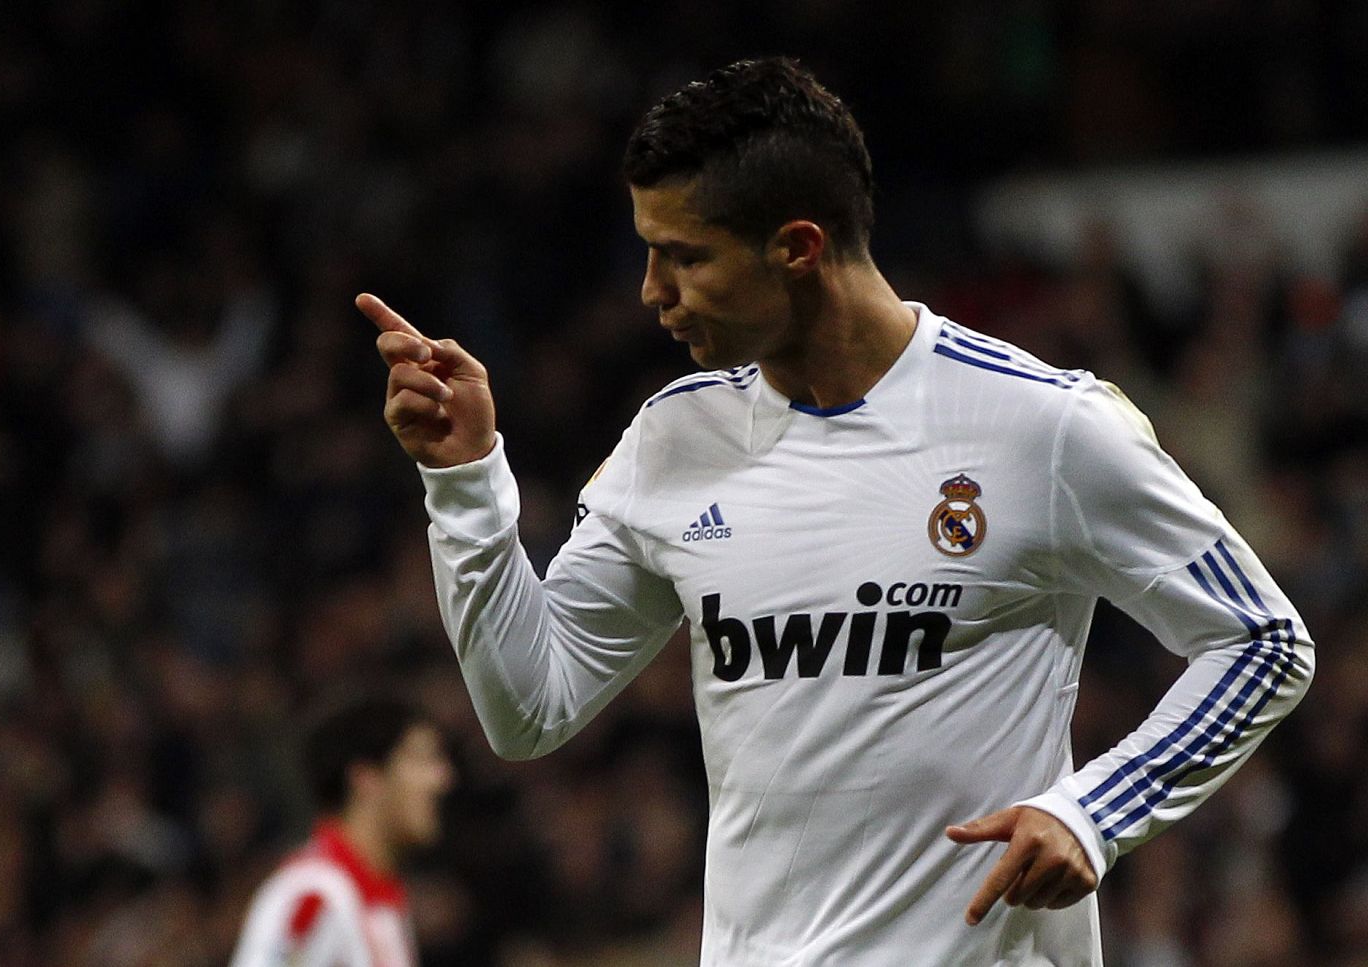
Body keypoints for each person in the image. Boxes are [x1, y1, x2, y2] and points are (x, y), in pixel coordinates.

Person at [359, 57, 1313, 965]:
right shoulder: (675, 439)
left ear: (800, 248)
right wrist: (467, 480)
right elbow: (530, 706)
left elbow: (1265, 641)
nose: (652, 292)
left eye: (683, 258)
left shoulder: (1043, 426)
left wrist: (1095, 810)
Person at [230, 696, 454, 967]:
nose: (442, 779)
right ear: (366, 778)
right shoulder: (315, 894)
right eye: (422, 760)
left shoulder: (378, 901)